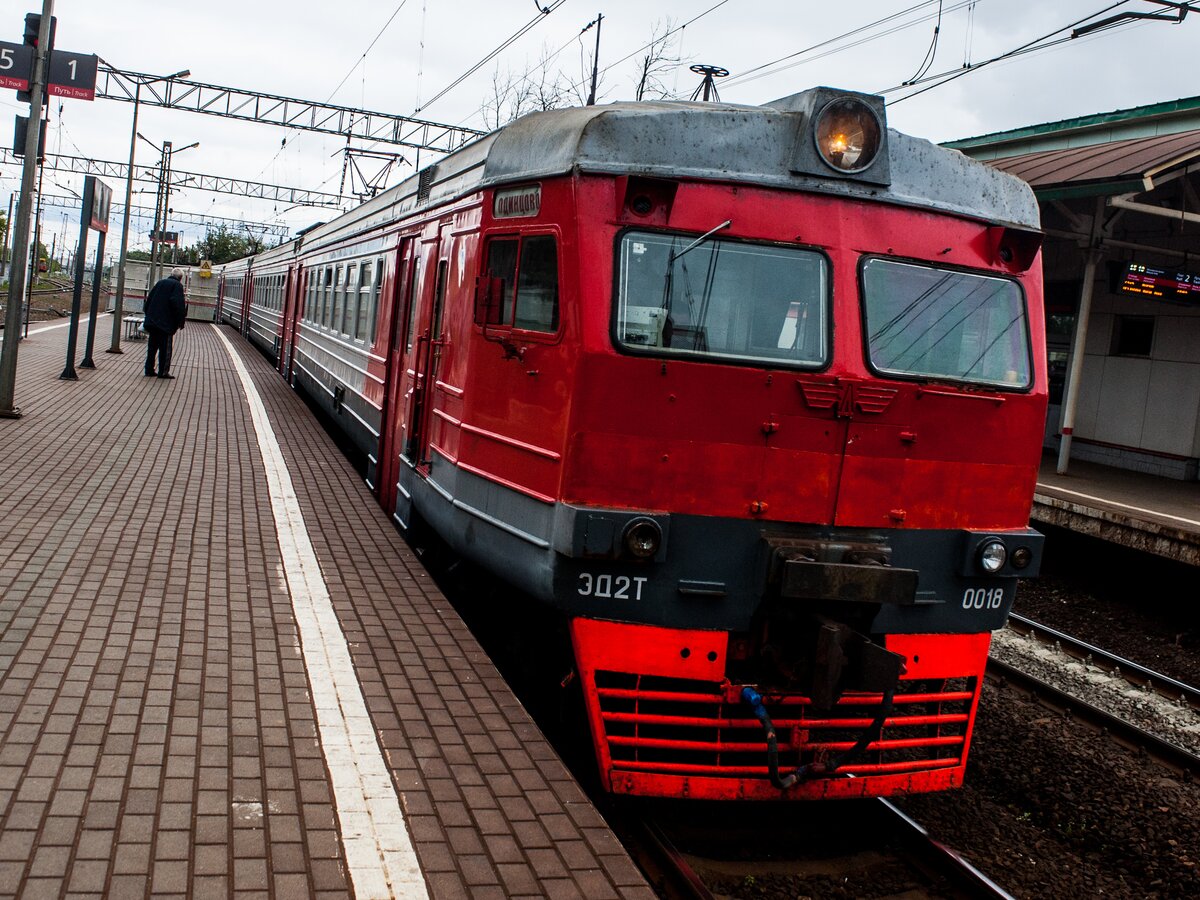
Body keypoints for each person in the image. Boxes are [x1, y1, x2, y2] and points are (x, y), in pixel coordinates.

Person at [143, 268, 188, 379]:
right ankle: (163, 372)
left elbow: (148, 301)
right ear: (180, 278)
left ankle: (149, 370)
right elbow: (177, 304)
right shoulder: (177, 286)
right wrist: (180, 321)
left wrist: (149, 315)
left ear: (171, 275)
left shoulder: (160, 283)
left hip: (152, 323)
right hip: (165, 325)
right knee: (165, 349)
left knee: (152, 347)